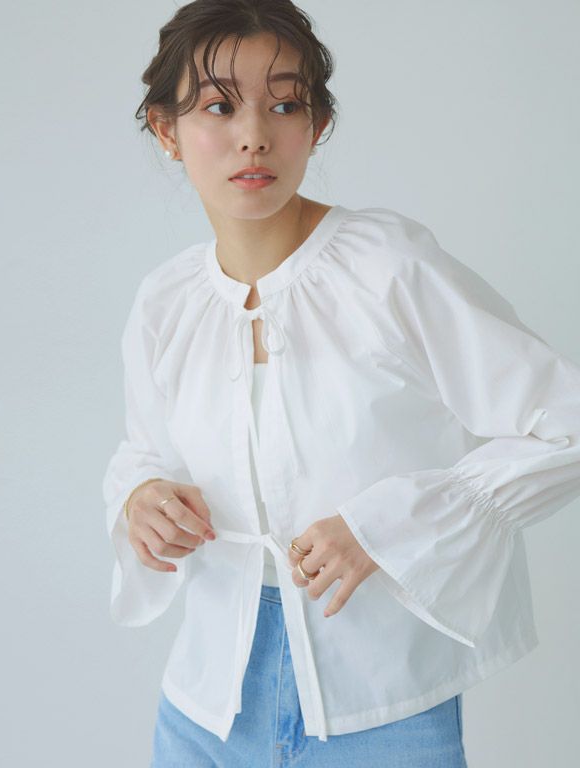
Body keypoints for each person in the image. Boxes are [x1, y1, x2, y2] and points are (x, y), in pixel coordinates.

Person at [102, 2, 580, 766]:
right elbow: (145, 452)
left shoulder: (388, 268)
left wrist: (386, 528)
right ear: (166, 128)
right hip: (206, 709)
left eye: (285, 104)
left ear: (317, 124)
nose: (254, 134)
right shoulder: (166, 301)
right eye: (219, 107)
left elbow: (565, 423)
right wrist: (141, 499)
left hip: (382, 703)